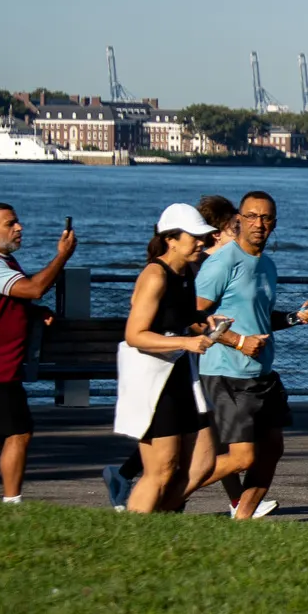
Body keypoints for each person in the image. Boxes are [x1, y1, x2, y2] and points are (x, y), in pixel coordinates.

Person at [195, 190, 308, 519]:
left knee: (272, 451)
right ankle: (160, 493)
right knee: (242, 458)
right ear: (238, 219)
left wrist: (295, 318)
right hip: (225, 372)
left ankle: (243, 520)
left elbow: (262, 319)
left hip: (261, 373)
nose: (258, 224)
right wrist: (238, 342)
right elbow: (193, 319)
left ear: (274, 224)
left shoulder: (267, 265)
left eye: (265, 218)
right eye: (251, 216)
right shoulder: (222, 262)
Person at [114, 203, 221, 513]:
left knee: (202, 462)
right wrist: (187, 342)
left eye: (204, 237)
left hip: (179, 375)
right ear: (171, 239)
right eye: (196, 237)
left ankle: (162, 526)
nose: (202, 243)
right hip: (153, 379)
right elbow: (135, 334)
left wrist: (207, 322)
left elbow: (187, 316)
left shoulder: (185, 271)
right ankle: (134, 538)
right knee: (161, 470)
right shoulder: (155, 275)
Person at [0, 202, 76, 503]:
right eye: (10, 224)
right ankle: (12, 503)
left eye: (18, 222)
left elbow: (12, 301)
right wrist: (62, 256)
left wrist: (34, 313)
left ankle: (11, 501)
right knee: (18, 433)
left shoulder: (2, 263)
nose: (19, 228)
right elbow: (33, 288)